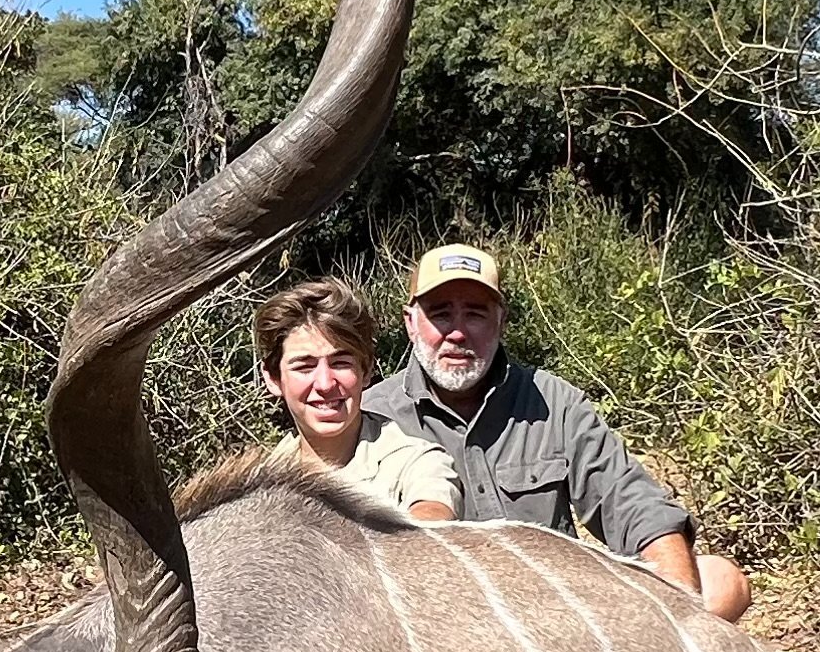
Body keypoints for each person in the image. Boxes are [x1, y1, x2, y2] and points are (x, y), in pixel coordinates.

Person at [363, 243, 750, 622]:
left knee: (720, 582)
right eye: (441, 314)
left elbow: (632, 503)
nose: (458, 334)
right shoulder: (373, 414)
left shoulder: (553, 401)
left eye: (476, 314)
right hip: (446, 621)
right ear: (410, 322)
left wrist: (678, 608)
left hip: (559, 614)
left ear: (501, 320)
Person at [253, 279, 458, 520]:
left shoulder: (414, 461)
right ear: (273, 378)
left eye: (340, 363)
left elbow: (434, 512)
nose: (325, 384)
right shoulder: (259, 483)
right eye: (304, 367)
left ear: (367, 369)